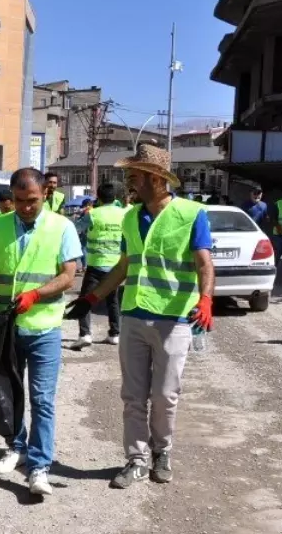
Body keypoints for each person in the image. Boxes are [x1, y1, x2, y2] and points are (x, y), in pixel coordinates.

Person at [64, 144, 215, 490]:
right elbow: (125, 265)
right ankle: (135, 458)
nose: (128, 180)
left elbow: (204, 263)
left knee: (165, 395)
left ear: (155, 179)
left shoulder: (192, 214)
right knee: (133, 395)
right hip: (133, 315)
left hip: (174, 319)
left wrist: (205, 300)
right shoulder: (131, 216)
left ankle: (162, 451)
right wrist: (92, 297)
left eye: (134, 174)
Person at [0, 168, 80, 497]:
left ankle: (39, 466)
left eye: (31, 201)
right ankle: (16, 447)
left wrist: (36, 294)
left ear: (45, 194)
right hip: (6, 326)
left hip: (43, 327)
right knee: (10, 395)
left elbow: (68, 276)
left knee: (42, 399)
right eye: (19, 201)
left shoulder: (62, 227)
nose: (25, 207)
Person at [74, 182, 125, 349]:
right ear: (115, 197)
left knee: (85, 300)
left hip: (96, 265)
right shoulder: (123, 214)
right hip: (116, 266)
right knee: (113, 300)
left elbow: (76, 228)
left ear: (99, 197)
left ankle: (85, 334)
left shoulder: (93, 214)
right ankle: (114, 334)